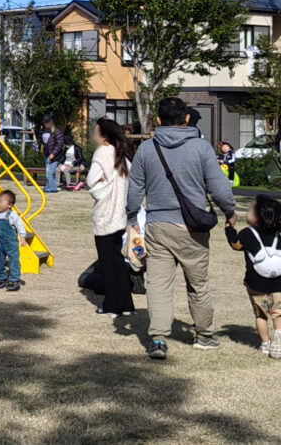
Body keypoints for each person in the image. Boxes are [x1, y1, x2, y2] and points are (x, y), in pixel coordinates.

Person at [126, 97, 237, 361]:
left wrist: (131, 218)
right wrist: (230, 212)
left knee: (159, 285)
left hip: (158, 225)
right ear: (186, 119)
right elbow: (220, 188)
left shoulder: (147, 149)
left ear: (159, 120)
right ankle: (204, 335)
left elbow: (134, 190)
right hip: (193, 229)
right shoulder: (201, 148)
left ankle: (158, 339)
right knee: (198, 284)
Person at [87, 118, 136, 317]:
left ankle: (112, 305)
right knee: (117, 260)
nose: (93, 135)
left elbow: (90, 180)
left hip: (105, 214)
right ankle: (126, 304)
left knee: (107, 262)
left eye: (96, 132)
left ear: (104, 136)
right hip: (120, 215)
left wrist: (101, 179)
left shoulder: (102, 153)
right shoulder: (122, 153)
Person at [226, 194, 281, 358]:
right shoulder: (277, 237)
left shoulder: (248, 234)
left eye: (250, 209)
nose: (247, 212)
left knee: (261, 314)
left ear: (258, 217)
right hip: (278, 284)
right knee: (278, 312)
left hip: (256, 284)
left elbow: (235, 245)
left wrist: (229, 228)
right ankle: (279, 335)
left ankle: (265, 343)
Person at [41, 114, 64, 194]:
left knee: (50, 173)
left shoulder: (56, 131)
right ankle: (52, 187)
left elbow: (60, 143)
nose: (46, 124)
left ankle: (50, 188)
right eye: (45, 122)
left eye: (48, 122)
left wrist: (53, 154)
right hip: (47, 155)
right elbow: (43, 142)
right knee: (48, 173)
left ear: (51, 122)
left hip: (55, 156)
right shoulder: (44, 131)